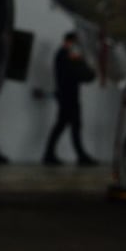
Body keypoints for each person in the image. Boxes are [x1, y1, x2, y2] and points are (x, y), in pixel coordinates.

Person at [42, 31, 97, 166]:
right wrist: (89, 68)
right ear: (70, 42)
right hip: (68, 97)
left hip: (66, 96)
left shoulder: (63, 55)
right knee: (71, 126)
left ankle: (52, 154)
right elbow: (81, 74)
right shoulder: (66, 56)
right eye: (76, 42)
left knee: (65, 126)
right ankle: (79, 156)